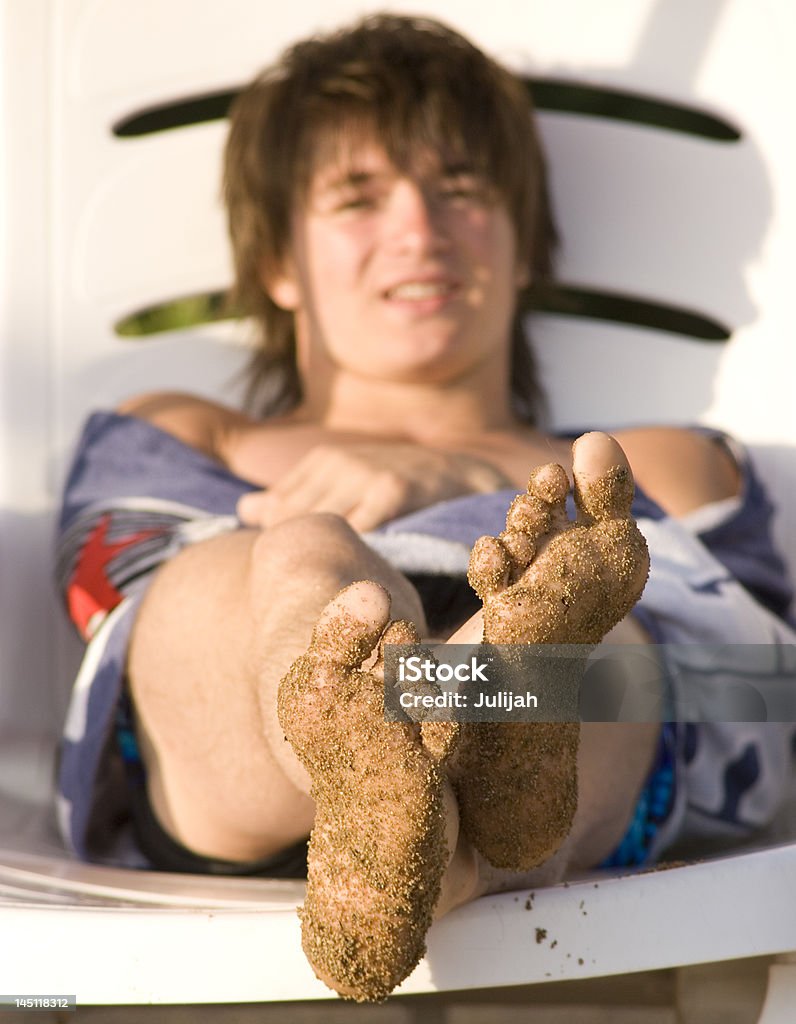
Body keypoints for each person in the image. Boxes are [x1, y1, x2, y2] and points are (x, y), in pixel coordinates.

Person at [55, 13, 796, 1002]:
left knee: (599, 641)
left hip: (585, 745)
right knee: (303, 563)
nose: (418, 228)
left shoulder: (659, 461)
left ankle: (432, 810)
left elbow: (761, 695)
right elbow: (107, 612)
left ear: (522, 246)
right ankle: (405, 734)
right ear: (277, 262)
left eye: (460, 189)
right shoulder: (193, 435)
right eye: (357, 196)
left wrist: (452, 470)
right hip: (245, 752)